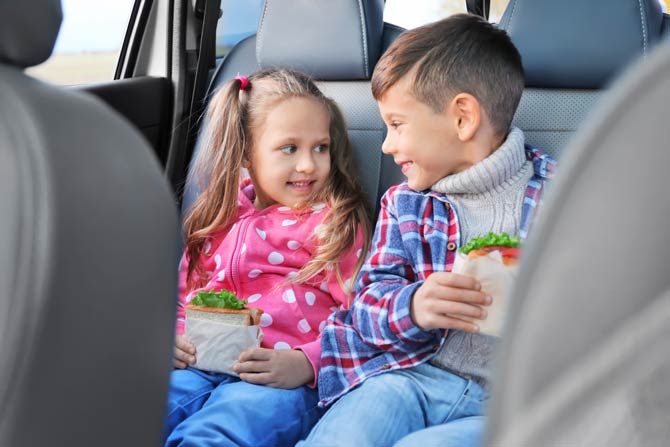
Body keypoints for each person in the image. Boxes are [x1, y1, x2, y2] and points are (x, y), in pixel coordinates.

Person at [299, 13, 556, 447]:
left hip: (516, 401)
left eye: (397, 125)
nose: (386, 144)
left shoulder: (561, 197)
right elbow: (366, 305)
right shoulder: (405, 205)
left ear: (462, 118)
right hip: (410, 377)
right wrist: (414, 304)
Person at [164, 68, 372, 447]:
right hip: (201, 363)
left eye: (320, 147)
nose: (309, 164)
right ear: (246, 152)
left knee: (213, 435)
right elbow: (184, 300)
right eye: (289, 148)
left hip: (282, 380)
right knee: (140, 407)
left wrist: (307, 363)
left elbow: (363, 320)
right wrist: (173, 337)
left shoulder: (335, 222)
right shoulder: (218, 217)